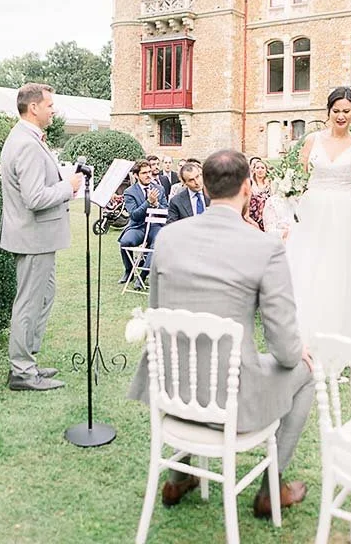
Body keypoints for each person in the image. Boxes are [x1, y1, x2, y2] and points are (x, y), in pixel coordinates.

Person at [127, 150, 313, 518]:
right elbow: (285, 350)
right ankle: (271, 488)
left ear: (207, 188)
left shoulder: (169, 237)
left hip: (172, 389)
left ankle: (179, 475)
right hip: (231, 398)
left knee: (200, 362)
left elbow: (157, 311)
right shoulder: (265, 246)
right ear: (246, 188)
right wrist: (299, 352)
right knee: (307, 370)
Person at [0, 83, 83, 392]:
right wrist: (68, 186)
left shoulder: (28, 138)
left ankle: (28, 362)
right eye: (49, 105)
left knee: (43, 297)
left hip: (38, 237)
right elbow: (34, 197)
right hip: (33, 237)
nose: (53, 110)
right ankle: (21, 371)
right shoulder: (26, 143)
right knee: (29, 303)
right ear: (33, 108)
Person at [286, 87, 351, 343]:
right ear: (328, 111)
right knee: (311, 265)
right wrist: (291, 200)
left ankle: (345, 331)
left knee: (343, 268)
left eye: (346, 111)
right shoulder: (312, 140)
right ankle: (306, 330)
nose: (340, 116)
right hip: (313, 210)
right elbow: (299, 176)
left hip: (348, 212)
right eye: (336, 110)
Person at [118, 160, 169, 289]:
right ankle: (129, 270)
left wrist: (156, 204)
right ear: (136, 175)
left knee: (157, 242)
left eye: (149, 172)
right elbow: (134, 215)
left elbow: (166, 211)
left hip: (155, 226)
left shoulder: (159, 189)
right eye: (144, 173)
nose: (148, 175)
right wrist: (148, 202)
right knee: (125, 242)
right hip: (138, 226)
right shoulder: (129, 192)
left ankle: (143, 275)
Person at [248, 157, 272, 231]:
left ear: (266, 170)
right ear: (254, 170)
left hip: (268, 217)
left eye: (262, 168)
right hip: (253, 217)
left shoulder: (271, 184)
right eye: (257, 168)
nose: (260, 170)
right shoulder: (250, 184)